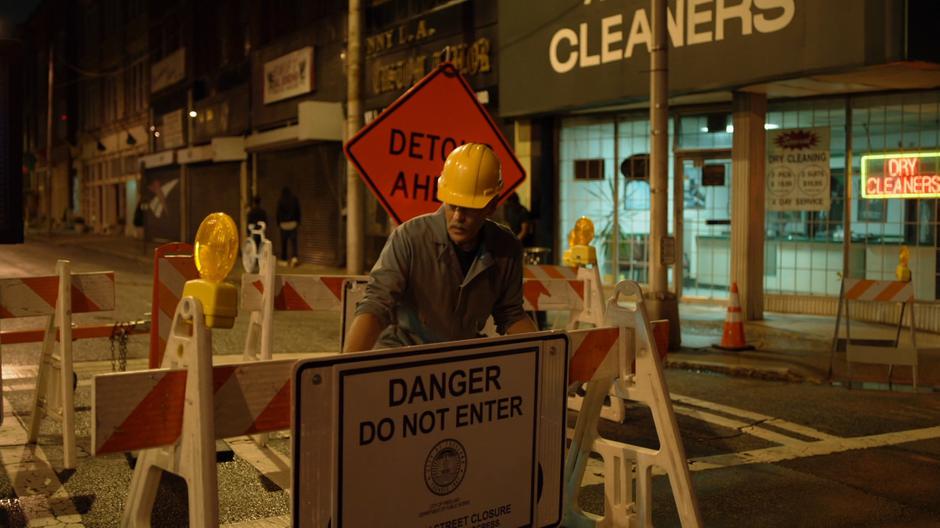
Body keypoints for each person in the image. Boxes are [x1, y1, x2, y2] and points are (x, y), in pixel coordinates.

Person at [344, 143, 538, 352]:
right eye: (452, 205)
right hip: (402, 353)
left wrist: (548, 358)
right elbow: (376, 305)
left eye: (469, 209)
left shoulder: (506, 248)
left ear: (491, 206)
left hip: (458, 358)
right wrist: (343, 370)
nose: (457, 217)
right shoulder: (410, 238)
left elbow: (511, 314)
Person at [276, 187, 301, 267]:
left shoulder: (280, 200)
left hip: (283, 225)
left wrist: (278, 223)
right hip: (293, 223)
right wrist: (298, 221)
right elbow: (298, 211)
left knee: (284, 243)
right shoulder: (294, 199)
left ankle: (284, 260)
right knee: (294, 243)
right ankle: (294, 258)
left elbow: (278, 213)